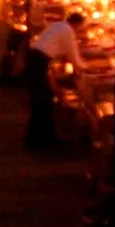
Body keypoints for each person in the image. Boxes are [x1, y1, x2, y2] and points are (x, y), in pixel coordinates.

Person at [25, 10, 84, 149]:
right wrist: (83, 68)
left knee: (41, 99)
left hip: (34, 57)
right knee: (43, 100)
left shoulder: (57, 25)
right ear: (77, 24)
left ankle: (37, 136)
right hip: (40, 61)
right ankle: (42, 138)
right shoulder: (68, 31)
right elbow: (73, 55)